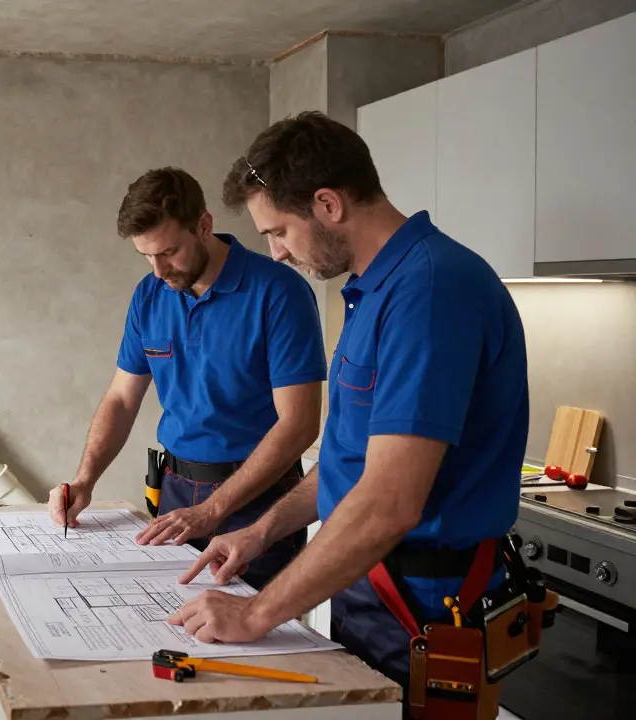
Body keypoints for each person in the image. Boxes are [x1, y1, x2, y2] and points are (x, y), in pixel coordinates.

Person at [168, 111, 529, 688]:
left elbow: (389, 501)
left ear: (329, 204)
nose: (278, 253)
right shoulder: (374, 291)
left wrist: (258, 611)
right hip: (371, 588)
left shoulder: (431, 292)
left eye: (279, 231)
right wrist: (259, 531)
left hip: (429, 607)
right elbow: (351, 465)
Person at [48, 167, 326, 590]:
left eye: (169, 251)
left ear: (204, 225)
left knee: (256, 644)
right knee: (172, 631)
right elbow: (122, 399)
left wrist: (213, 510)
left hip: (258, 500)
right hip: (175, 492)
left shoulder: (279, 293)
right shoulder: (149, 295)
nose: (158, 270)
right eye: (147, 256)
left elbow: (300, 424)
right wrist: (85, 479)